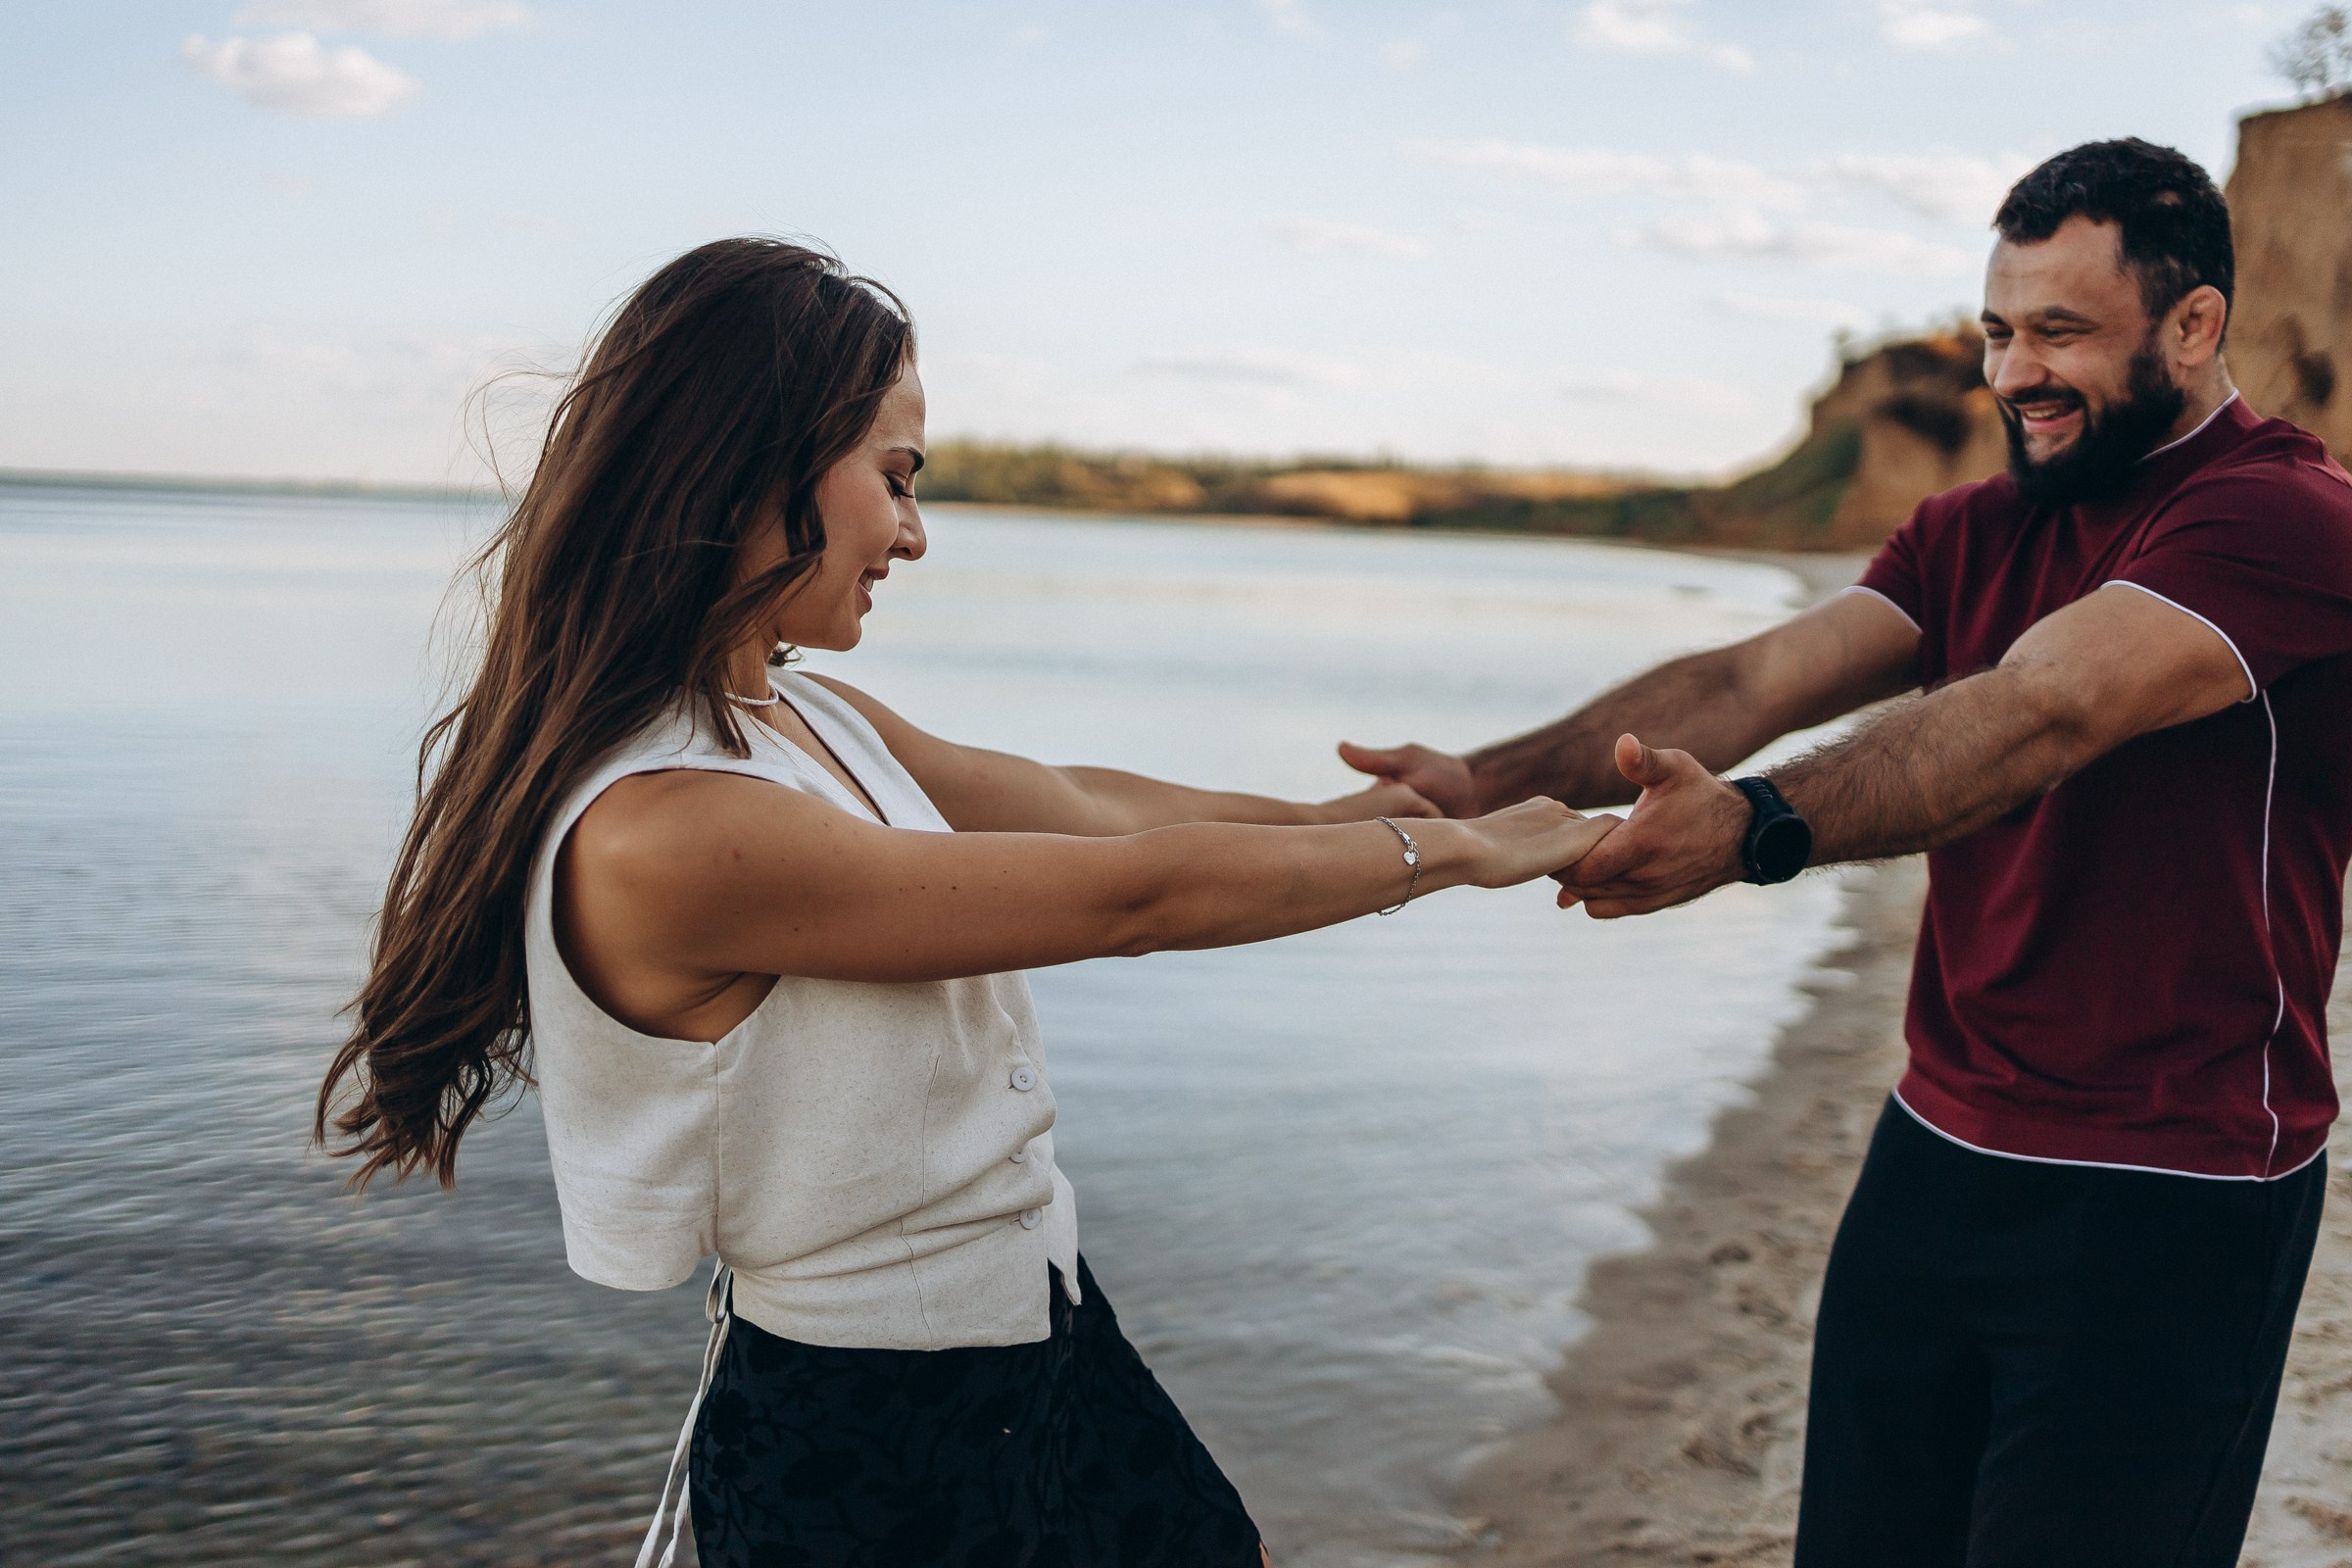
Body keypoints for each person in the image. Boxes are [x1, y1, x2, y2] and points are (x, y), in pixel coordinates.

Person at [314, 237, 1613, 1568]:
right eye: (897, 478)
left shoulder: (792, 709)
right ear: (759, 462)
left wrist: (1379, 820)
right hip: (875, 1432)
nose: (916, 534)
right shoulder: (666, 829)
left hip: (1035, 1327)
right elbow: (1131, 896)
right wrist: (1456, 858)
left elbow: (1088, 806)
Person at [1343, 139, 2352, 1566]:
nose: (2015, 374)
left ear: (2195, 327)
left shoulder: (2281, 517)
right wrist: (1481, 779)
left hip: (2174, 1188)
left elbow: (2039, 711)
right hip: (1936, 1150)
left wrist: (1754, 825)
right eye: (2001, 331)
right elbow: (1752, 682)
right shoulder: (1979, 525)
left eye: (2064, 331)